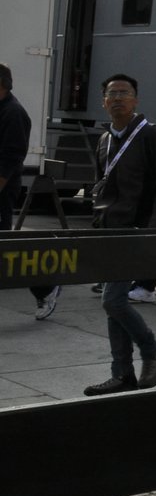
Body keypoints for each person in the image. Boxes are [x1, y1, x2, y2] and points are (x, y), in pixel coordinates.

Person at [84, 74, 156, 395]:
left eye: (124, 93)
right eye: (112, 94)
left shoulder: (151, 136)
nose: (118, 98)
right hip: (110, 233)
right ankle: (122, 373)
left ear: (136, 100)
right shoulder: (104, 140)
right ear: (104, 102)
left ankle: (151, 352)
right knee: (114, 301)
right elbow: (102, 187)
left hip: (137, 233)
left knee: (112, 300)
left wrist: (155, 231)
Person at [0, 63, 60, 319]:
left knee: (6, 250)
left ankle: (46, 287)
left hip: (2, 192)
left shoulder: (13, 113)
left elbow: (10, 160)